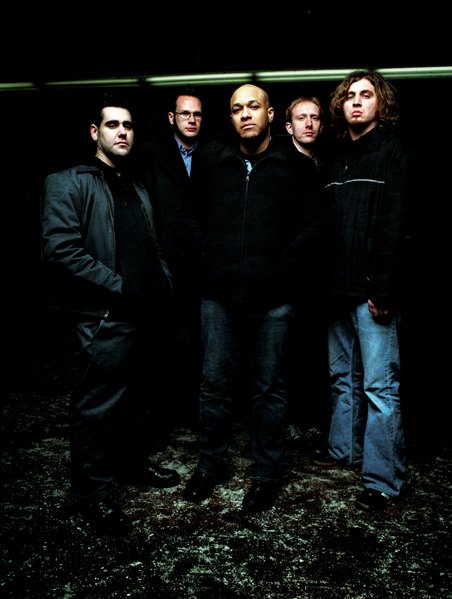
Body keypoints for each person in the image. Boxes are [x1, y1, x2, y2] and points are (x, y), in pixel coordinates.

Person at [182, 84, 326, 513]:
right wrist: (209, 259)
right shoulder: (213, 160)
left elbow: (316, 226)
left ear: (270, 113)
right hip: (219, 295)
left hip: (274, 299)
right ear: (230, 118)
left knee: (270, 388)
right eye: (236, 109)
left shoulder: (295, 166)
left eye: (253, 107)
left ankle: (267, 473)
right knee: (214, 385)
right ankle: (211, 464)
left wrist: (280, 267)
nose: (245, 114)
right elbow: (189, 216)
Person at [41, 92, 181, 536]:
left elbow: (151, 246)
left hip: (144, 313)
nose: (123, 132)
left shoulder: (136, 186)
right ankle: (92, 494)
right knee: (97, 406)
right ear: (94, 132)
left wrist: (163, 281)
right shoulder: (68, 182)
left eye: (128, 125)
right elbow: (61, 249)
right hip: (103, 315)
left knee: (135, 399)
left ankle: (132, 465)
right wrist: (119, 285)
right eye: (113, 125)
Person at [317, 70, 410, 510]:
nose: (356, 102)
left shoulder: (392, 153)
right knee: (342, 379)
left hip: (373, 291)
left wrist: (385, 289)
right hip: (336, 290)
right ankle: (344, 453)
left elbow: (397, 225)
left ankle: (382, 479)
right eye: (349, 95)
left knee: (379, 387)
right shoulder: (336, 158)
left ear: (380, 104)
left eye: (365, 95)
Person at [137, 86, 204, 434]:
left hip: (200, 265)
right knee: (159, 343)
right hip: (162, 262)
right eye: (184, 114)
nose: (191, 120)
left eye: (197, 114)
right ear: (171, 117)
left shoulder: (213, 153)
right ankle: (159, 418)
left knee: (197, 343)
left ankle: (193, 413)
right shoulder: (150, 154)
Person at [284, 95, 330, 450]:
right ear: (289, 126)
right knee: (286, 353)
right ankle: (287, 423)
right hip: (288, 277)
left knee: (315, 352)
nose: (309, 123)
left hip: (321, 278)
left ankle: (312, 422)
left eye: (314, 117)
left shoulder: (330, 166)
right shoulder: (280, 165)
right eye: (301, 118)